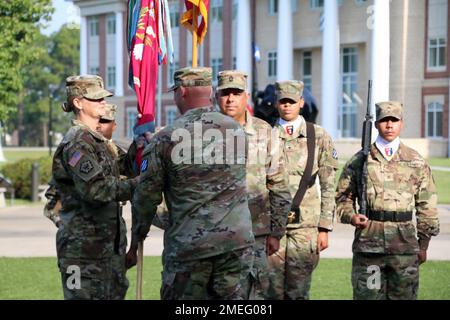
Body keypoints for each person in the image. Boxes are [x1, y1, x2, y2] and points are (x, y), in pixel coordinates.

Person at [126, 67, 255, 300]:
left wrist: (136, 238)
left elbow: (147, 197)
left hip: (190, 247)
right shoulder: (236, 130)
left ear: (182, 92)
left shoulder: (166, 137)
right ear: (210, 91)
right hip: (235, 244)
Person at [335, 101, 440, 300]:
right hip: (369, 247)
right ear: (376, 125)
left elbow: (427, 206)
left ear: (402, 123)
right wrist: (351, 216)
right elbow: (342, 197)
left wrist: (423, 245)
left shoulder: (415, 161)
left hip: (405, 247)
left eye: (394, 120)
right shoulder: (360, 160)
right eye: (384, 120)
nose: (389, 125)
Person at [52, 75, 139, 300]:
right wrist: (140, 185)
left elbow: (127, 166)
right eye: (96, 98)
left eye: (103, 97)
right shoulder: (77, 143)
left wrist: (141, 143)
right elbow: (96, 190)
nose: (103, 101)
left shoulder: (98, 142)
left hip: (107, 249)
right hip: (83, 253)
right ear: (78, 103)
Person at [216, 70, 291, 299]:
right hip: (213, 235)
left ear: (246, 96)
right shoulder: (203, 131)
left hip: (254, 235)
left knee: (254, 295)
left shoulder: (263, 132)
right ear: (215, 96)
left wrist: (276, 231)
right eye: (225, 93)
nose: (230, 99)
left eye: (236, 93)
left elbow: (278, 184)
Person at [267, 80, 338, 300]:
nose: (287, 106)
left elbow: (328, 184)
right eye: (283, 102)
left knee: (298, 291)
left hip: (306, 226)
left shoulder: (318, 136)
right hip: (271, 226)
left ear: (301, 103)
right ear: (276, 104)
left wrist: (324, 227)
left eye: (291, 101)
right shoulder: (265, 136)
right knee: (270, 290)